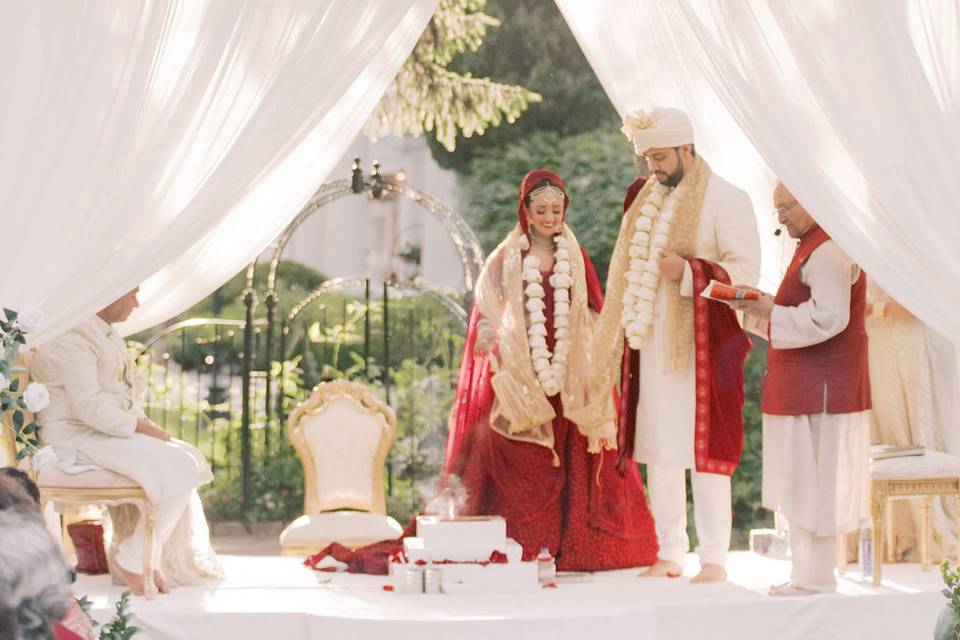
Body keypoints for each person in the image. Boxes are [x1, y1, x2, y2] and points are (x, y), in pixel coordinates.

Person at [443, 168, 659, 571]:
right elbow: (487, 309)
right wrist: (492, 341)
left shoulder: (574, 258)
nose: (549, 218)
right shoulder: (507, 256)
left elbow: (595, 308)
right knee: (516, 454)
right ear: (524, 210)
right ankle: (524, 544)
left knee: (577, 452)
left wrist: (594, 345)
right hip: (522, 375)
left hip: (570, 377)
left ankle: (575, 546)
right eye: (540, 209)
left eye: (556, 210)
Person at [585, 107, 760, 582]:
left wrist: (687, 272)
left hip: (706, 351)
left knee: (705, 456)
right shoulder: (645, 200)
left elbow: (746, 286)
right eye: (646, 159)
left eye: (660, 157)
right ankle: (669, 552)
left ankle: (715, 559)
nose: (652, 169)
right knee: (659, 452)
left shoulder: (727, 198)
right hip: (650, 346)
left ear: (687, 149)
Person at [26, 288, 220, 596]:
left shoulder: (99, 333)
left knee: (187, 459)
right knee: (180, 464)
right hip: (75, 440)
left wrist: (143, 426)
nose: (137, 304)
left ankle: (145, 555)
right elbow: (89, 407)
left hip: (98, 434)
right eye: (132, 295)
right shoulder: (72, 338)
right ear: (108, 293)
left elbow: (116, 397)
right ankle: (134, 557)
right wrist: (140, 427)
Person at [729, 182, 871, 596]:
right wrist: (758, 311)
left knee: (815, 482)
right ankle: (806, 574)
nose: (782, 217)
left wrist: (770, 311)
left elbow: (829, 318)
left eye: (786, 207)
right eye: (778, 210)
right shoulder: (813, 244)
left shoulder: (828, 250)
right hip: (803, 384)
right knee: (800, 481)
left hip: (821, 387)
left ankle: (816, 577)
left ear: (811, 200)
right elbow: (797, 314)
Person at [864, 284, 959, 560]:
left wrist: (873, 310)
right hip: (875, 343)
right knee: (885, 430)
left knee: (917, 428)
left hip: (910, 342)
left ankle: (928, 530)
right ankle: (890, 534)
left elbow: (925, 298)